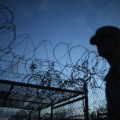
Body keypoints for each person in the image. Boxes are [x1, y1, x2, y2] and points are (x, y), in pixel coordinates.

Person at [90, 26, 120, 120]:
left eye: (103, 39)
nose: (98, 44)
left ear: (117, 40)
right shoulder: (111, 76)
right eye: (97, 42)